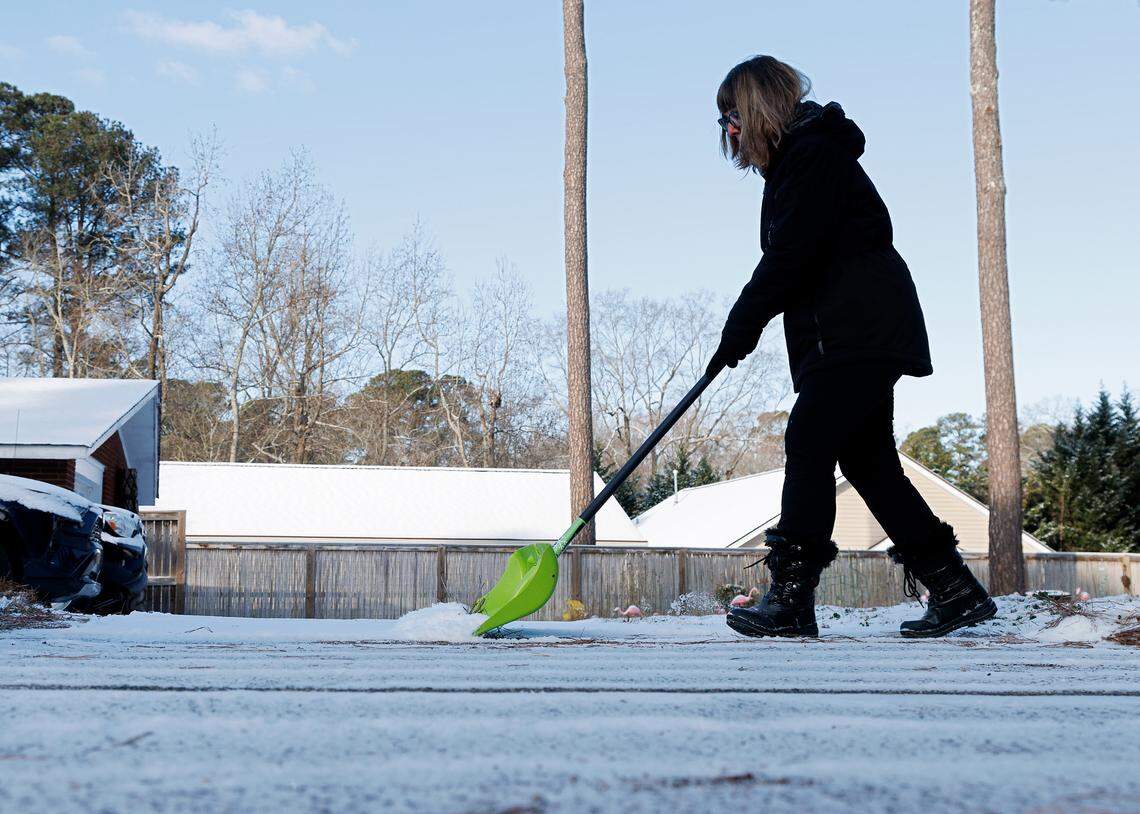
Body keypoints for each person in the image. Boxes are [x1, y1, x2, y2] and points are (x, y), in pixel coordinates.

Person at [707, 55, 996, 639]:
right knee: (868, 462)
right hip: (852, 329)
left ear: (757, 108)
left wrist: (740, 326)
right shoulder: (803, 160)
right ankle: (954, 587)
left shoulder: (812, 156)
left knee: (809, 440)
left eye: (731, 118)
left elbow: (791, 257)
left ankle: (790, 599)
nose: (729, 134)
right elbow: (795, 258)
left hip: (854, 330)